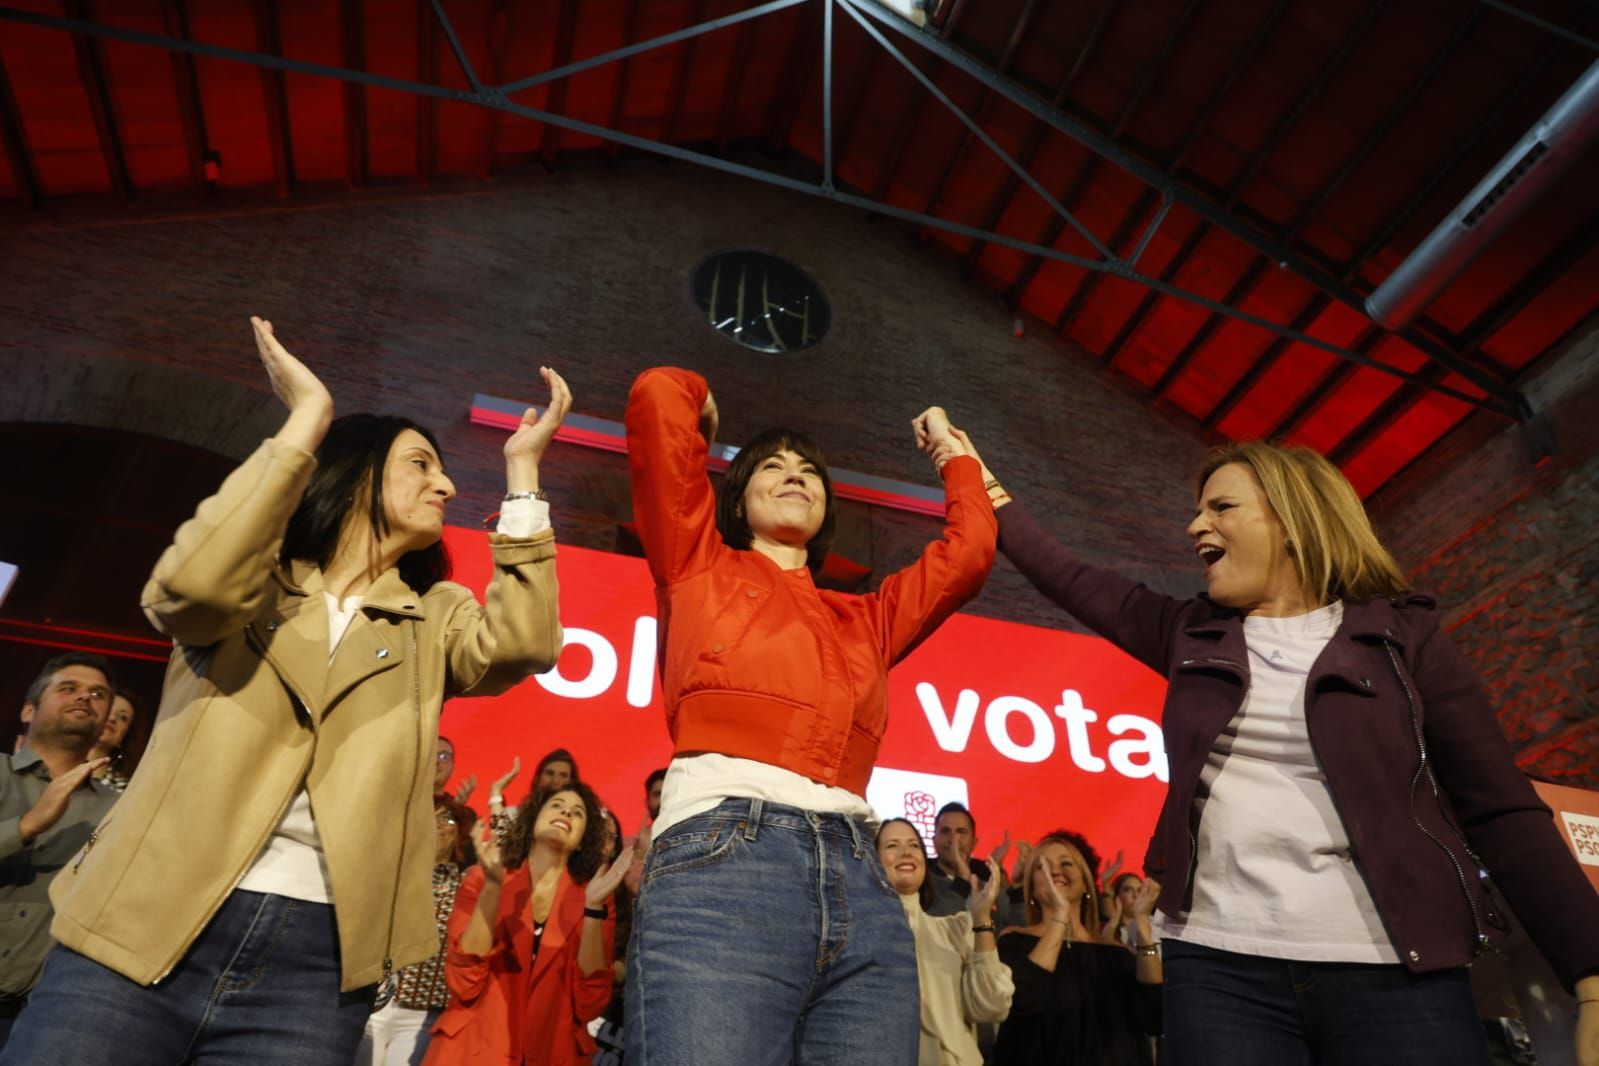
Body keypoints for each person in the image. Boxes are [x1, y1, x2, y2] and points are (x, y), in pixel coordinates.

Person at [1, 317, 570, 1066]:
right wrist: (305, 422)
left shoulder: (433, 615)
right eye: (420, 464)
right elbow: (190, 587)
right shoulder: (254, 582)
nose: (447, 484)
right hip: (142, 918)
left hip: (315, 963)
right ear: (354, 474)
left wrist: (524, 474)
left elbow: (527, 642)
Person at [952, 431, 1599, 1066]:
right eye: (1197, 510)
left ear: (1291, 521)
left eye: (1221, 507)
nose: (1194, 526)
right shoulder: (1189, 631)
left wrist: (1591, 975)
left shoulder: (1402, 637)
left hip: (1397, 972)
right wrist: (977, 479)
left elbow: (1499, 809)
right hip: (1218, 971)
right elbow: (1067, 575)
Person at [621, 366, 997, 1065]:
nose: (795, 474)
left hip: (861, 877)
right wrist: (700, 409)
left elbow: (968, 556)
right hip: (725, 859)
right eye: (772, 465)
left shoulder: (865, 620)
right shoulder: (696, 564)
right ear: (737, 501)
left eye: (809, 471)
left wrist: (954, 456)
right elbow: (655, 396)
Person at [422, 783, 626, 1066]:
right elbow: (463, 983)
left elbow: (589, 1002)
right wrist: (493, 886)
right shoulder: (482, 878)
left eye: (577, 812)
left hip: (551, 1055)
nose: (567, 811)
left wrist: (593, 909)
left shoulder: (596, 897)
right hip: (472, 1050)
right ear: (532, 822)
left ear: (582, 840)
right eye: (557, 805)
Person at [0, 653, 119, 1048]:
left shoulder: (118, 809)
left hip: (39, 1018)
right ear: (28, 710)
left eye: (98, 694)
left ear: (105, 721)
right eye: (68, 688)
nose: (85, 697)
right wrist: (28, 825)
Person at [990, 832, 1161, 1066]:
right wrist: (1060, 915)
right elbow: (1024, 1001)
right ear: (1032, 888)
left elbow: (1153, 1017)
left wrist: (1143, 929)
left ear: (1085, 884)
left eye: (1066, 863)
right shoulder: (1013, 942)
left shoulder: (1115, 953)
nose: (1055, 871)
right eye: (1042, 866)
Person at [876, 818, 1014, 1066]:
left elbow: (991, 1006)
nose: (906, 852)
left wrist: (981, 918)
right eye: (892, 845)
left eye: (914, 845)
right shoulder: (854, 935)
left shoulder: (955, 930)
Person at [356, 792, 474, 1066]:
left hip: (420, 1014)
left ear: (459, 834)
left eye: (448, 818)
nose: (439, 824)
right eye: (431, 817)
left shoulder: (467, 884)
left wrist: (494, 800)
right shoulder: (391, 872)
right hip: (373, 999)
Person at [86, 690, 151, 792]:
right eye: (107, 710)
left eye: (123, 718)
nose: (112, 718)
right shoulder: (59, 769)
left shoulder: (130, 791)